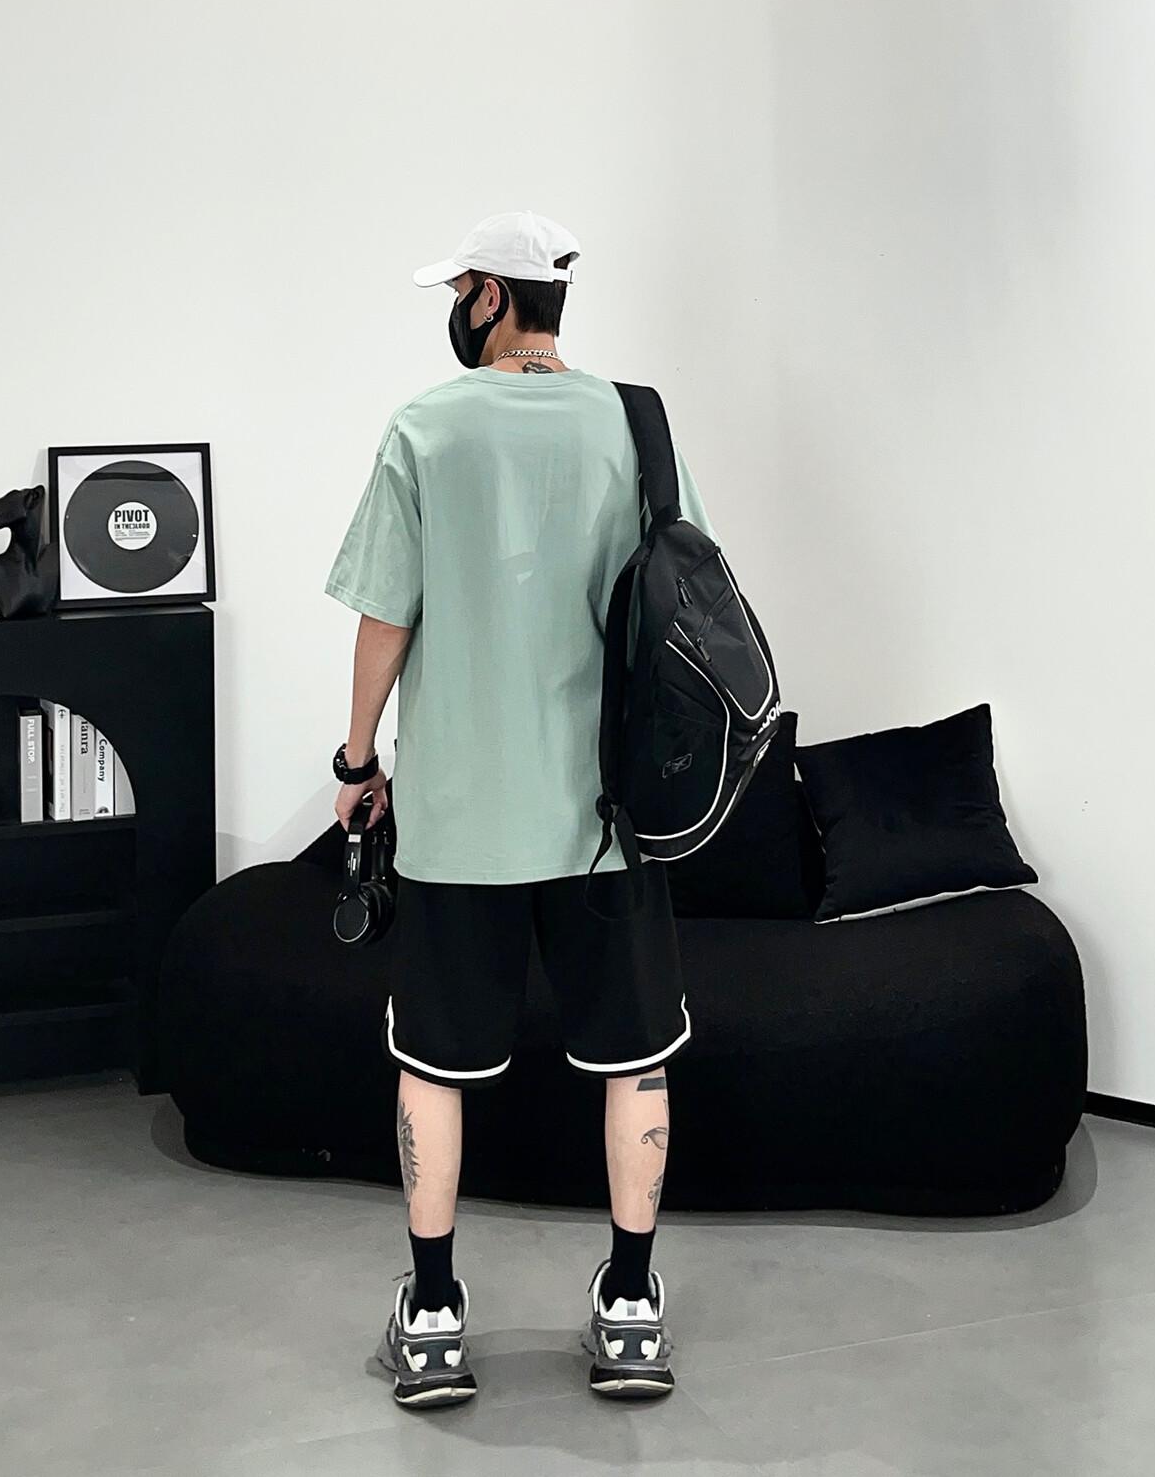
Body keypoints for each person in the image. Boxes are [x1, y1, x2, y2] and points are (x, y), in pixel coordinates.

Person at [324, 210, 717, 1409]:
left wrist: (356, 761)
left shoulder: (425, 428)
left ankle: (435, 1317)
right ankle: (632, 1310)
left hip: (458, 817)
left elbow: (386, 615)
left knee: (433, 1066)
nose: (455, 311)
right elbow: (687, 595)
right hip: (609, 816)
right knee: (634, 1060)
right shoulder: (635, 427)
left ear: (492, 296)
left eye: (460, 291)